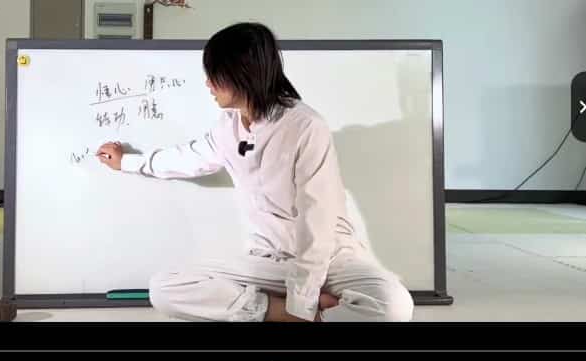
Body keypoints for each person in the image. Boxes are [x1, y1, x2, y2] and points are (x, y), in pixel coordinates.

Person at [96, 22, 414, 322]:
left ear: (242, 74)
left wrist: (303, 297)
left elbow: (316, 220)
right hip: (268, 261)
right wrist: (126, 162)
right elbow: (186, 158)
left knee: (395, 304)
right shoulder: (227, 128)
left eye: (214, 75)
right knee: (165, 287)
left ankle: (300, 310)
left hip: (329, 258)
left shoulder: (305, 126)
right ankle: (285, 314)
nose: (208, 84)